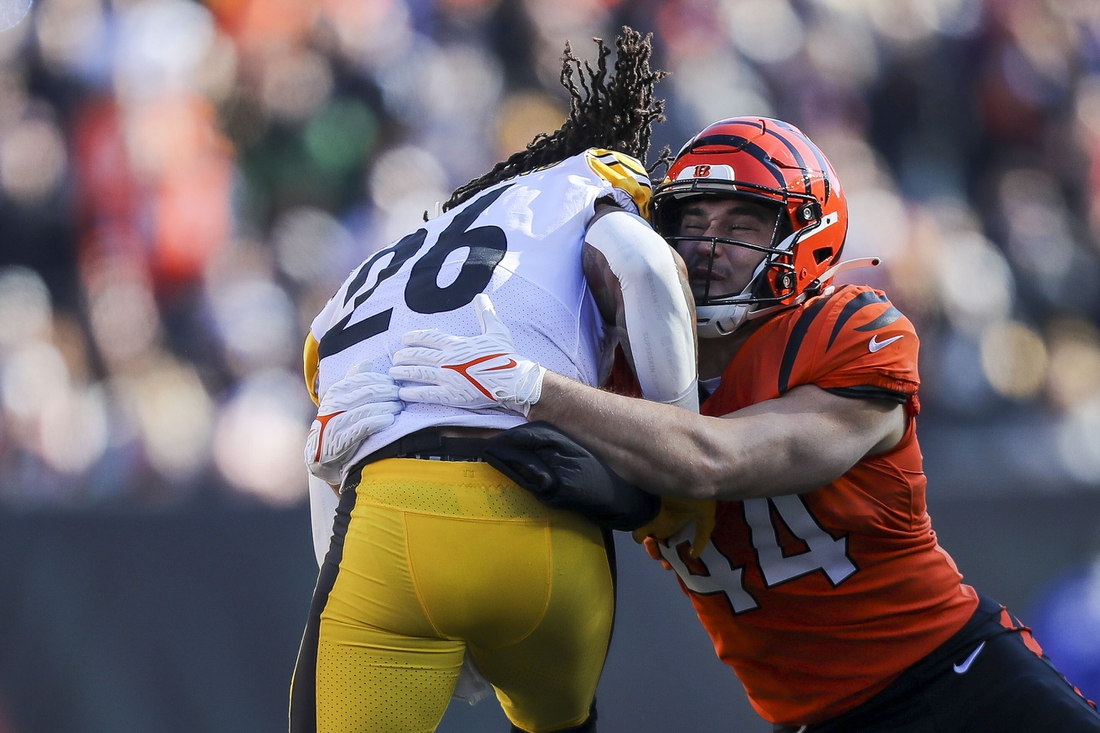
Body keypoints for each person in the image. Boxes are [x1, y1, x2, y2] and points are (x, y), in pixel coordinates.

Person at [385, 117, 1100, 732]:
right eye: (691, 221)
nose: (706, 245)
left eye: (741, 222)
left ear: (805, 236)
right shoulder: (620, 368)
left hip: (962, 684)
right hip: (811, 719)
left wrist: (532, 387)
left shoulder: (851, 330)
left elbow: (714, 460)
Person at [290, 29, 700, 733]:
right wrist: (678, 445)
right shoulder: (578, 191)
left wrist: (354, 580)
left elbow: (327, 457)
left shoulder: (371, 275)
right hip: (548, 532)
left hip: (388, 522)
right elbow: (643, 265)